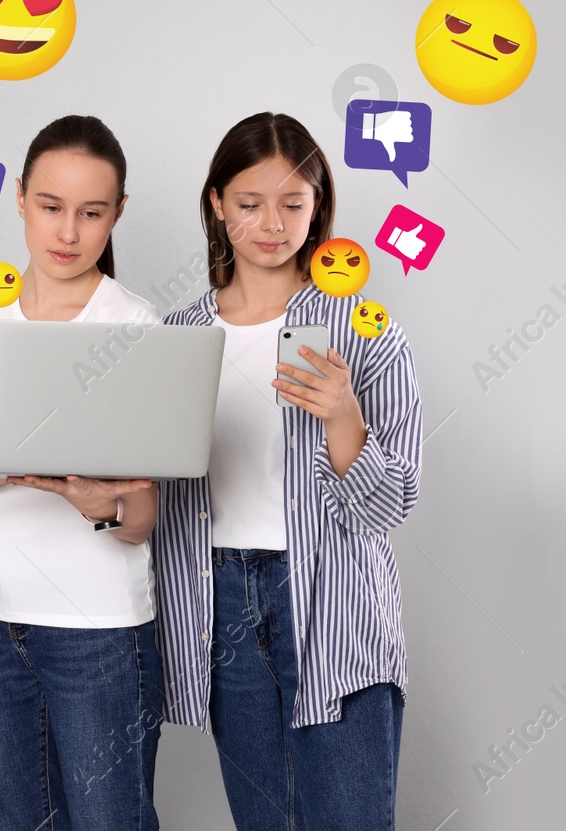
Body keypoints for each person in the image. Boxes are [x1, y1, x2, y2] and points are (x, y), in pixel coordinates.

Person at [154, 111, 422, 831]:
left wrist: (342, 417)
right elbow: (156, 494)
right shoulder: (178, 337)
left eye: (292, 204)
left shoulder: (361, 329)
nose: (271, 224)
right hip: (224, 610)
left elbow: (390, 505)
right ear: (216, 203)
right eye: (249, 203)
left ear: (318, 205)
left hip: (334, 608)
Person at [0, 115, 166, 830]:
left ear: (117, 214)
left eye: (92, 213)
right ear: (20, 199)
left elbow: (143, 517)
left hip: (99, 627)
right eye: (51, 207)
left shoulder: (138, 325)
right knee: (17, 821)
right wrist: (16, 460)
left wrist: (97, 502)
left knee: (110, 820)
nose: (68, 232)